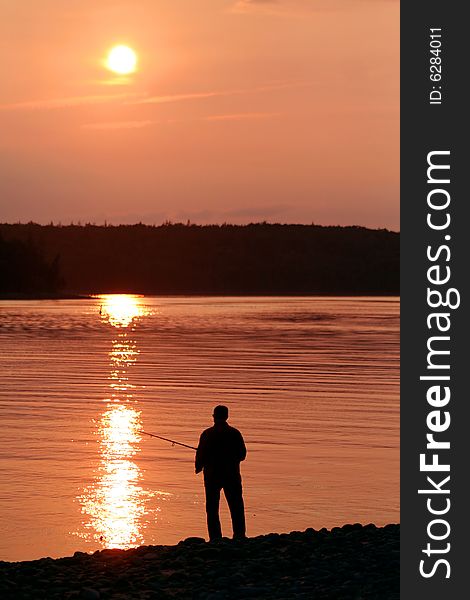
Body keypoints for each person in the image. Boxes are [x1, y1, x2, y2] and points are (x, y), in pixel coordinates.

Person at [195, 405, 247, 541]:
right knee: (236, 505)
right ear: (227, 417)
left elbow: (200, 454)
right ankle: (239, 535)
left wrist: (199, 466)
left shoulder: (206, 434)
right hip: (232, 475)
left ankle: (215, 537)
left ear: (214, 417)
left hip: (212, 476)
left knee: (212, 508)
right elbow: (242, 454)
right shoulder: (235, 433)